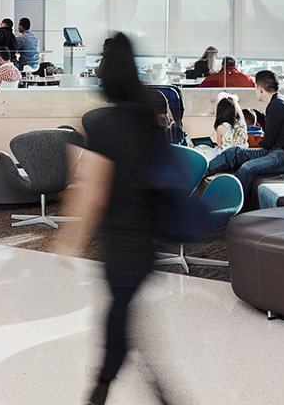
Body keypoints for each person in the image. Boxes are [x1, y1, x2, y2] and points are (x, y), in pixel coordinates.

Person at [55, 33, 180, 405]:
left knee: (118, 322)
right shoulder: (148, 118)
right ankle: (122, 387)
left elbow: (92, 191)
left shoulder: (104, 124)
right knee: (125, 320)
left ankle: (102, 389)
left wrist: (70, 240)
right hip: (148, 240)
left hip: (122, 243)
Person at [206, 70, 284, 199]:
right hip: (280, 150)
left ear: (260, 89)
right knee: (232, 152)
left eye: (255, 87)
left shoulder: (275, 106)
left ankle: (232, 202)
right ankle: (201, 172)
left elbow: (267, 144)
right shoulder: (282, 101)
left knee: (247, 168)